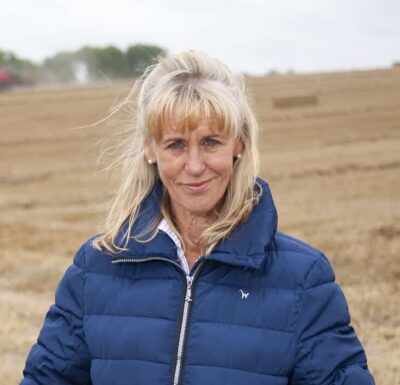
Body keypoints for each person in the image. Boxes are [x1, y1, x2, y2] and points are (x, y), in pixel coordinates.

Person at [20, 51, 376, 385]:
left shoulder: (302, 280)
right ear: (150, 149)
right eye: (175, 144)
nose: (194, 166)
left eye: (210, 142)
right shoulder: (96, 267)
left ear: (238, 144)